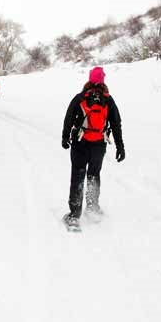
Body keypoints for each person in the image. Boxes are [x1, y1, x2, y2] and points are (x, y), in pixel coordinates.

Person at [61, 67, 125, 229]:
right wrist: (120, 146)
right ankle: (92, 207)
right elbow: (116, 124)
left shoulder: (81, 97)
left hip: (80, 142)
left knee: (78, 176)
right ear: (103, 80)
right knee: (94, 175)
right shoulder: (108, 99)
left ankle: (74, 216)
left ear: (89, 79)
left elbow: (68, 117)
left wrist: (65, 137)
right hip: (99, 144)